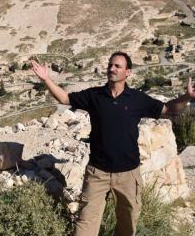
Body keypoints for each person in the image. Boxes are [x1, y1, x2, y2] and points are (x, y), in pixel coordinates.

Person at [31, 51, 194, 236]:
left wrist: (187, 97)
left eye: (117, 66)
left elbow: (168, 109)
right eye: (110, 65)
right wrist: (46, 79)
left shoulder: (137, 99)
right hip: (97, 174)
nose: (112, 68)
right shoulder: (95, 96)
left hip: (128, 175)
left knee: (127, 227)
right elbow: (65, 98)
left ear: (128, 72)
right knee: (84, 227)